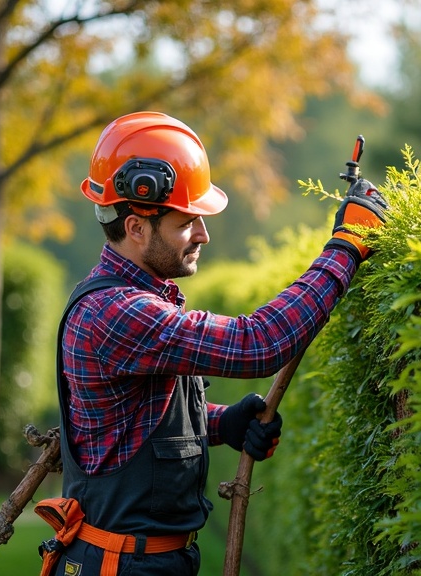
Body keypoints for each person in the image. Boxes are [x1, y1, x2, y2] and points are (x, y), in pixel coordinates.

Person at [36, 111, 388, 576]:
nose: (203, 234)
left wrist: (222, 423)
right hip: (119, 565)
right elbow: (258, 343)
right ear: (137, 226)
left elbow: (134, 431)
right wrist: (347, 246)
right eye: (188, 222)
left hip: (140, 560)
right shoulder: (119, 313)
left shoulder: (140, 301)